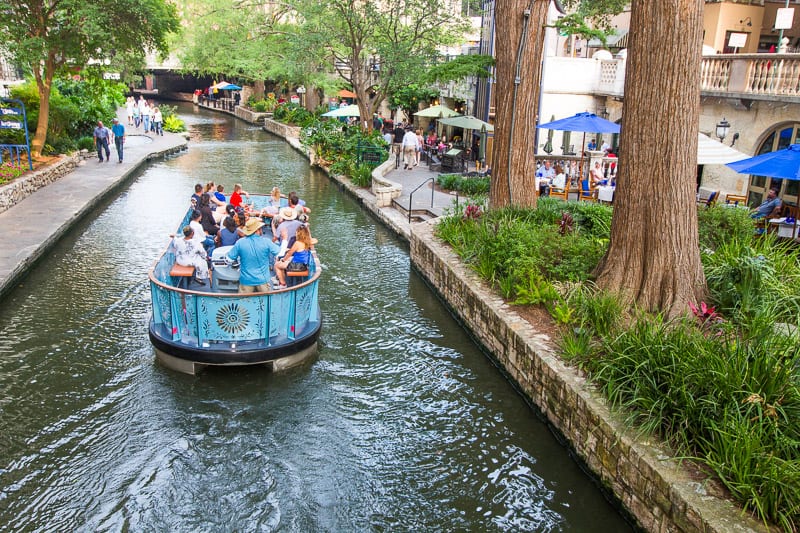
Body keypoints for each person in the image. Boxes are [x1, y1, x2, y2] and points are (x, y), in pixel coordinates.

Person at [225, 218, 273, 293]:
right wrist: (285, 239)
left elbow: (229, 259)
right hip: (262, 280)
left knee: (244, 303)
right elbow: (280, 253)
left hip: (246, 280)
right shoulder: (266, 242)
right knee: (265, 303)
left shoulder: (240, 242)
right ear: (257, 230)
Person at [273, 224, 313, 289]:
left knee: (277, 265)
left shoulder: (297, 243)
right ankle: (283, 281)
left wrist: (283, 260)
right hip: (304, 266)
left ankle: (283, 284)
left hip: (297, 266)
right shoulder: (308, 242)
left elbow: (289, 253)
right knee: (286, 262)